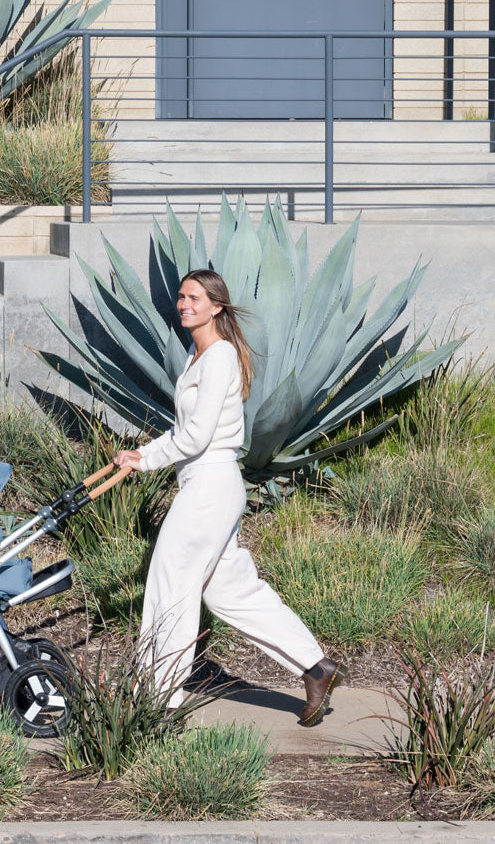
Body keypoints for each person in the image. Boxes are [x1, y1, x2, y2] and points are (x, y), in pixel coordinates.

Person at [113, 268, 344, 727]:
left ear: (217, 306)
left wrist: (148, 461)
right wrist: (142, 453)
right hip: (208, 483)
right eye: (181, 297)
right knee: (229, 591)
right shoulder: (196, 357)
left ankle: (158, 698)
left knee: (170, 581)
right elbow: (185, 432)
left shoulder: (217, 358)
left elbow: (196, 437)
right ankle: (316, 667)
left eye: (195, 298)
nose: (184, 304)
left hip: (210, 485)